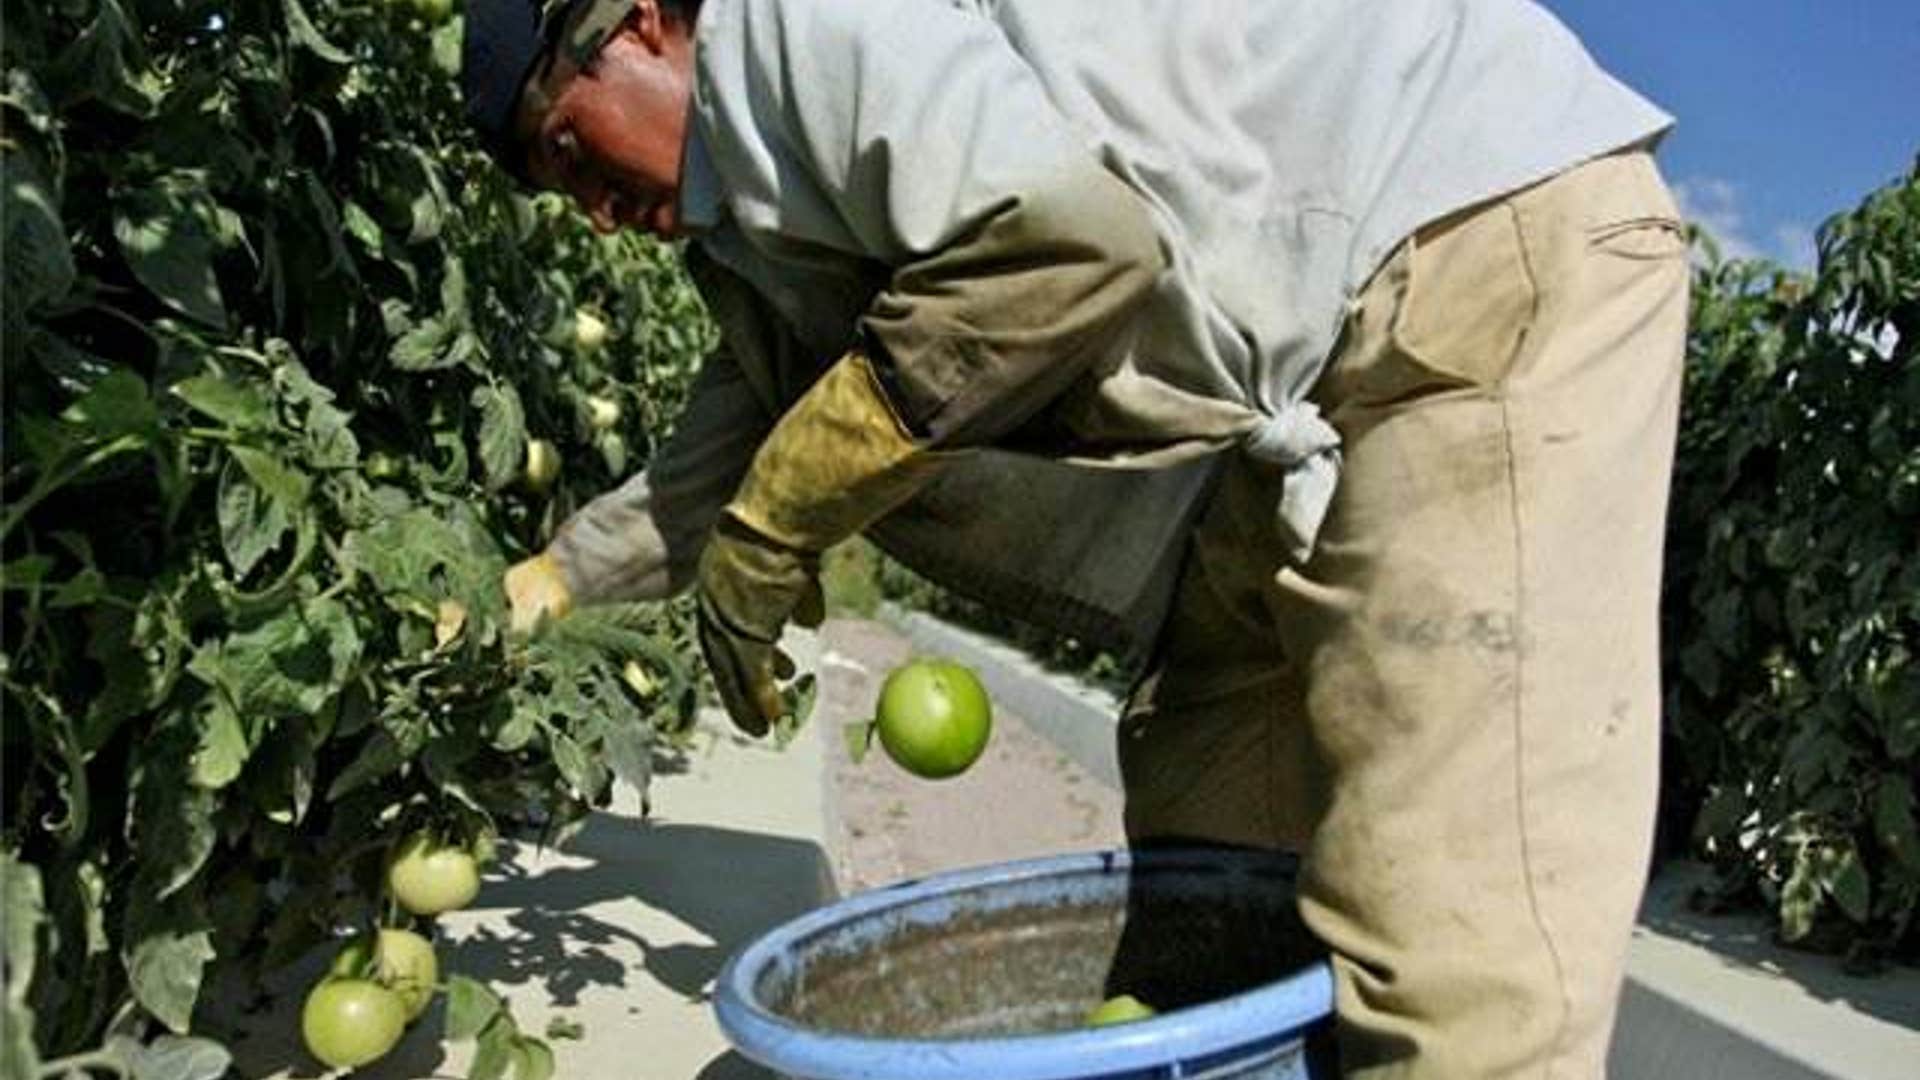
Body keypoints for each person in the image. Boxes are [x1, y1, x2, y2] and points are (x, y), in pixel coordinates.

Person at [462, 0, 1690, 1074]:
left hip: (1468, 255)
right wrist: (543, 588)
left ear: (634, 25)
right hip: (1309, 368)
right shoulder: (758, 233)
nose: (598, 210)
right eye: (559, 192)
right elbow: (715, 471)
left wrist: (786, 514)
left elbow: (1070, 240)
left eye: (570, 147)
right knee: (1211, 824)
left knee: (1451, 939)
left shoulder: (783, 28)